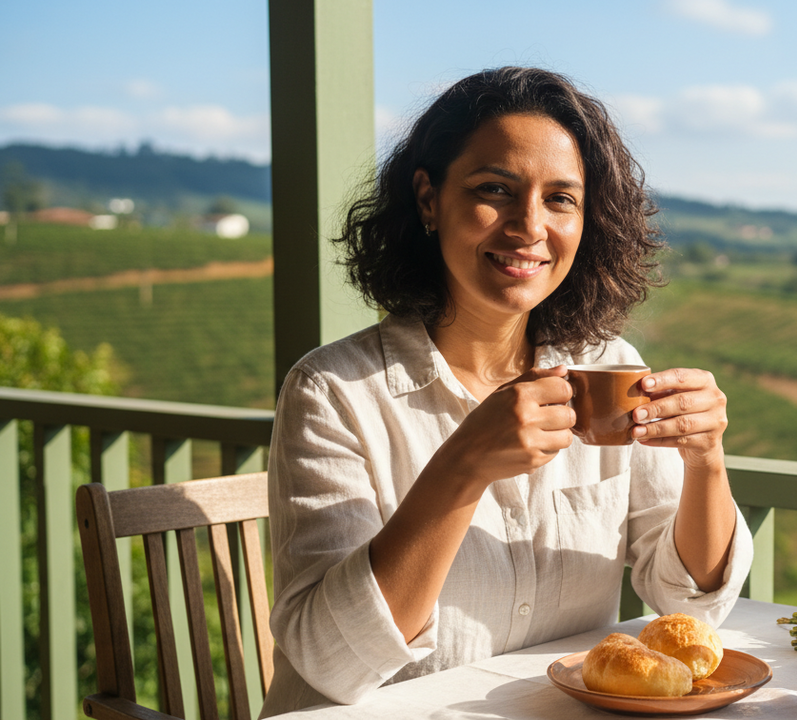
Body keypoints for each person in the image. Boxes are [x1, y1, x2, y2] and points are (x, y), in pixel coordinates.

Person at [261, 67, 753, 716]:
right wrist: (461, 468)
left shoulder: (609, 367)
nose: (528, 226)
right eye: (495, 189)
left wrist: (705, 459)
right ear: (429, 200)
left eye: (560, 199)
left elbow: (693, 606)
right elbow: (330, 662)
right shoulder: (333, 393)